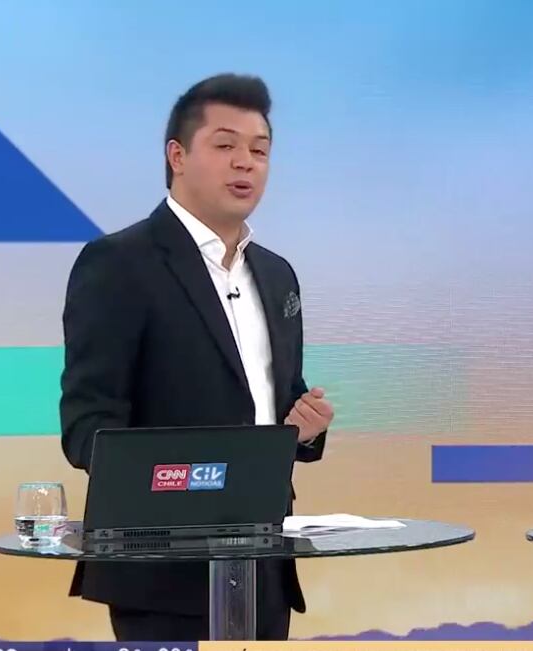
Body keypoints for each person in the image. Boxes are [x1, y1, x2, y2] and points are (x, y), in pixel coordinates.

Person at [59, 73, 333, 641]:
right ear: (177, 156)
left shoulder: (277, 274)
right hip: (160, 568)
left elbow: (274, 402)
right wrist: (184, 480)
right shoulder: (119, 263)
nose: (246, 162)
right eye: (226, 145)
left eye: (260, 150)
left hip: (262, 563)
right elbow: (88, 425)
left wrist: (302, 429)